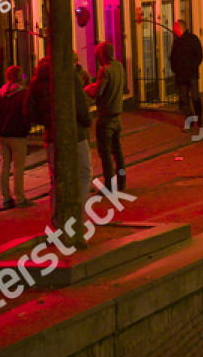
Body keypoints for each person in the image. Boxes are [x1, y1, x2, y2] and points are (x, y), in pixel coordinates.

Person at [25, 52, 94, 222]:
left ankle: (57, 216)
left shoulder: (36, 82)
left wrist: (47, 121)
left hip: (52, 136)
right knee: (84, 172)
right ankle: (76, 213)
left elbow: (28, 112)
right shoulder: (69, 76)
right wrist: (85, 122)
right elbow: (80, 104)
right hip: (75, 134)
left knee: (55, 178)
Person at [86, 41, 127, 192]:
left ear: (102, 55)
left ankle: (110, 186)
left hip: (106, 116)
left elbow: (99, 92)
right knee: (118, 152)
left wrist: (90, 89)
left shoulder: (105, 71)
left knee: (105, 153)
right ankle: (122, 180)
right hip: (118, 115)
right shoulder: (119, 66)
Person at [0, 65, 32, 210]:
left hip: (3, 135)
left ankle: (6, 198)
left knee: (4, 165)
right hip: (18, 134)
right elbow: (26, 114)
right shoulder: (23, 94)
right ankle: (20, 197)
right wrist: (26, 128)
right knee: (18, 167)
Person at [169, 19, 203, 122]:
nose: (173, 29)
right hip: (180, 75)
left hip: (191, 75)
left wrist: (192, 67)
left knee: (195, 97)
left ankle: (198, 116)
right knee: (184, 99)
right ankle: (189, 119)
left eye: (175, 27)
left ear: (180, 28)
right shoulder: (177, 41)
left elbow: (199, 55)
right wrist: (174, 68)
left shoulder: (193, 39)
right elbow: (173, 56)